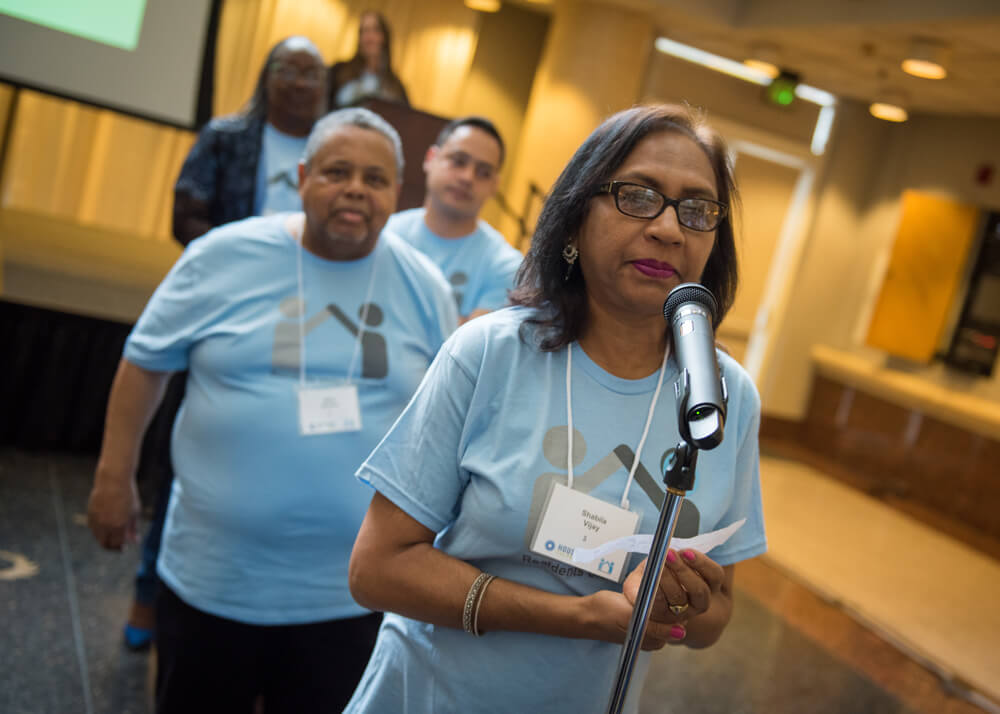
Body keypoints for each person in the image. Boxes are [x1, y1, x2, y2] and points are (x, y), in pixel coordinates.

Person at [344, 104, 767, 713]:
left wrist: (679, 601)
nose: (669, 229)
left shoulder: (721, 394)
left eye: (696, 209)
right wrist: (577, 617)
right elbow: (377, 570)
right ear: (573, 221)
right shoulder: (489, 352)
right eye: (638, 195)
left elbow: (714, 621)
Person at [87, 107, 457, 713]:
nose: (356, 190)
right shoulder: (222, 256)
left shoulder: (425, 288)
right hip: (213, 581)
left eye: (375, 178)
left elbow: (441, 423)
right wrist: (113, 475)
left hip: (351, 595)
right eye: (337, 172)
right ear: (303, 176)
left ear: (397, 192)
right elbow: (144, 363)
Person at [122, 35, 329, 651]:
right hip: (226, 312)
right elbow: (183, 216)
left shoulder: (332, 147)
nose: (300, 82)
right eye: (288, 69)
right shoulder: (227, 136)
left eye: (312, 73)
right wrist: (249, 255)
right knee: (186, 452)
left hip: (309, 320)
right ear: (267, 76)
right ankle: (147, 593)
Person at [386, 116, 523, 323]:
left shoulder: (506, 267)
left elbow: (471, 346)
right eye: (458, 161)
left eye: (483, 172)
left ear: (495, 185)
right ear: (431, 158)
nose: (467, 178)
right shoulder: (385, 235)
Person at [328, 10, 408, 109]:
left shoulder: (396, 87)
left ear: (384, 37)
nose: (369, 37)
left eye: (375, 30)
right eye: (364, 31)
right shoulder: (339, 71)